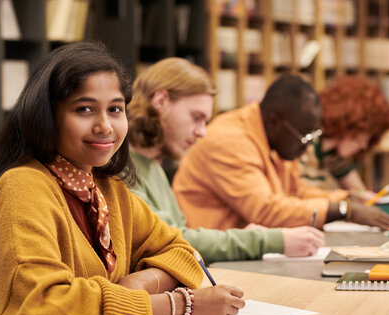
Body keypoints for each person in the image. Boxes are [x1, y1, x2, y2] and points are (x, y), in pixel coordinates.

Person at [0, 42, 245, 315]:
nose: (105, 126)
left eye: (115, 109)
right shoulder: (23, 187)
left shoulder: (109, 189)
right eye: (84, 109)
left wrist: (138, 284)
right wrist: (178, 306)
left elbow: (184, 253)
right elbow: (42, 307)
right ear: (48, 117)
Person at [127, 58, 325, 264]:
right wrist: (266, 240)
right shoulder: (122, 167)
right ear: (161, 101)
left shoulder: (151, 164)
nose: (202, 132)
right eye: (196, 117)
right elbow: (173, 242)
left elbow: (178, 235)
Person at [172, 74, 389, 231]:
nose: (308, 146)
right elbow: (266, 210)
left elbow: (294, 191)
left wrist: (345, 198)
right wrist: (342, 210)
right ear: (274, 122)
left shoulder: (276, 139)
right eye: (304, 136)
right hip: (210, 260)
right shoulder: (229, 140)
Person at [299, 75, 389, 200]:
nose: (363, 146)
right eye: (360, 138)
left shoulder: (334, 156)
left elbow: (360, 192)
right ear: (346, 126)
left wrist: (364, 196)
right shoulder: (304, 145)